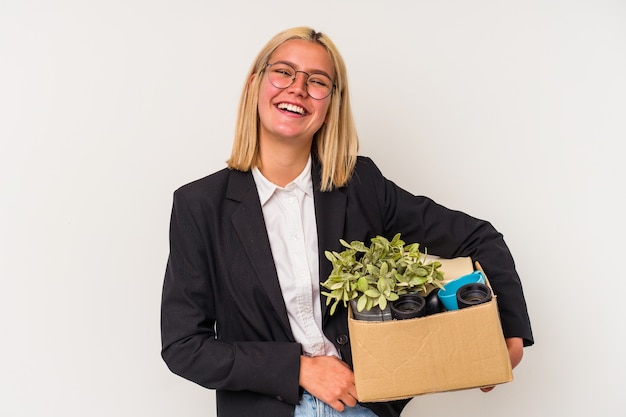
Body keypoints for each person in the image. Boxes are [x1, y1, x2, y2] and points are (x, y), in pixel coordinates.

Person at [160, 26, 534, 417]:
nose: (298, 88)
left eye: (317, 81)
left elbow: (479, 238)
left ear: (330, 106)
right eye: (283, 72)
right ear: (256, 84)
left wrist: (507, 332)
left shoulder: (361, 186)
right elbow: (184, 345)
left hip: (361, 406)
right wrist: (300, 369)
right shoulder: (199, 206)